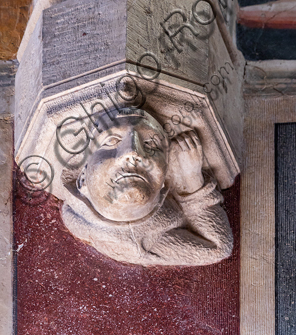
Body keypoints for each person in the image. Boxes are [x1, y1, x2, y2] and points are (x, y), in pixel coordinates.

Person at [61, 107, 233, 266]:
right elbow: (217, 248)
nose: (133, 152)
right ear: (82, 176)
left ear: (165, 179)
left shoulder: (154, 235)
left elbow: (217, 247)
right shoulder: (143, 242)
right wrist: (193, 182)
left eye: (150, 145)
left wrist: (191, 177)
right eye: (111, 140)